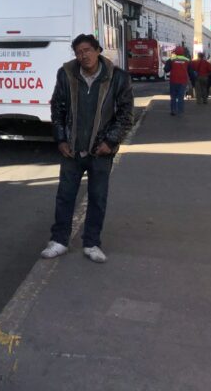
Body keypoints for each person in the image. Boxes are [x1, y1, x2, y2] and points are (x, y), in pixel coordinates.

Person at [40, 34, 134, 264]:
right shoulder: (66, 74)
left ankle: (92, 243)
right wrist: (61, 139)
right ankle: (59, 241)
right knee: (65, 196)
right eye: (78, 52)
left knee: (97, 198)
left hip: (100, 151)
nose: (83, 56)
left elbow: (125, 115)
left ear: (98, 50)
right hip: (72, 150)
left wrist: (110, 143)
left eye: (87, 50)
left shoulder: (117, 78)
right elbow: (58, 109)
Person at [164, 47, 191, 116]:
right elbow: (190, 72)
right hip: (183, 80)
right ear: (183, 52)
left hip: (173, 80)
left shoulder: (171, 59)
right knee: (181, 96)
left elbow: (166, 69)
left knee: (173, 96)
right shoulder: (187, 60)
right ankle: (180, 111)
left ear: (175, 52)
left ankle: (173, 111)